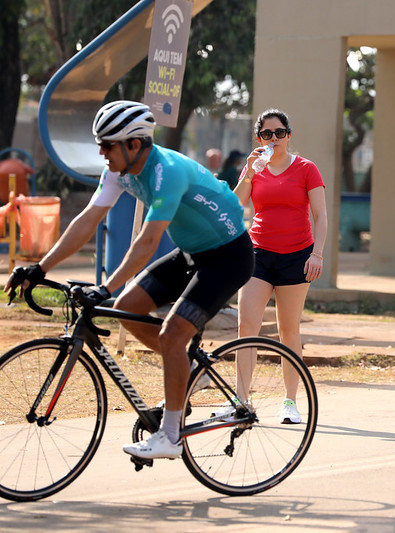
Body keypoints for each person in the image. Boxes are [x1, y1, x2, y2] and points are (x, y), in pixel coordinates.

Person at [3, 100, 254, 459]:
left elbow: (147, 242)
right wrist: (40, 268)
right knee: (126, 308)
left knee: (171, 333)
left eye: (107, 144)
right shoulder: (118, 171)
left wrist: (105, 286)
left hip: (229, 256)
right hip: (192, 252)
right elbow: (87, 220)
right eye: (100, 144)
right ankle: (188, 368)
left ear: (134, 144)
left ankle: (170, 436)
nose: (101, 152)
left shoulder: (166, 171)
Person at [229, 109, 327, 424]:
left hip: (297, 256)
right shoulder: (254, 169)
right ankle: (241, 399)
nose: (275, 139)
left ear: (288, 135)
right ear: (260, 138)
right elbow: (234, 206)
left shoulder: (306, 169)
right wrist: (248, 171)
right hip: (257, 254)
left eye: (280, 132)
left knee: (288, 330)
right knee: (247, 327)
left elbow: (321, 216)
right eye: (268, 134)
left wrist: (318, 254)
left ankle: (289, 401)